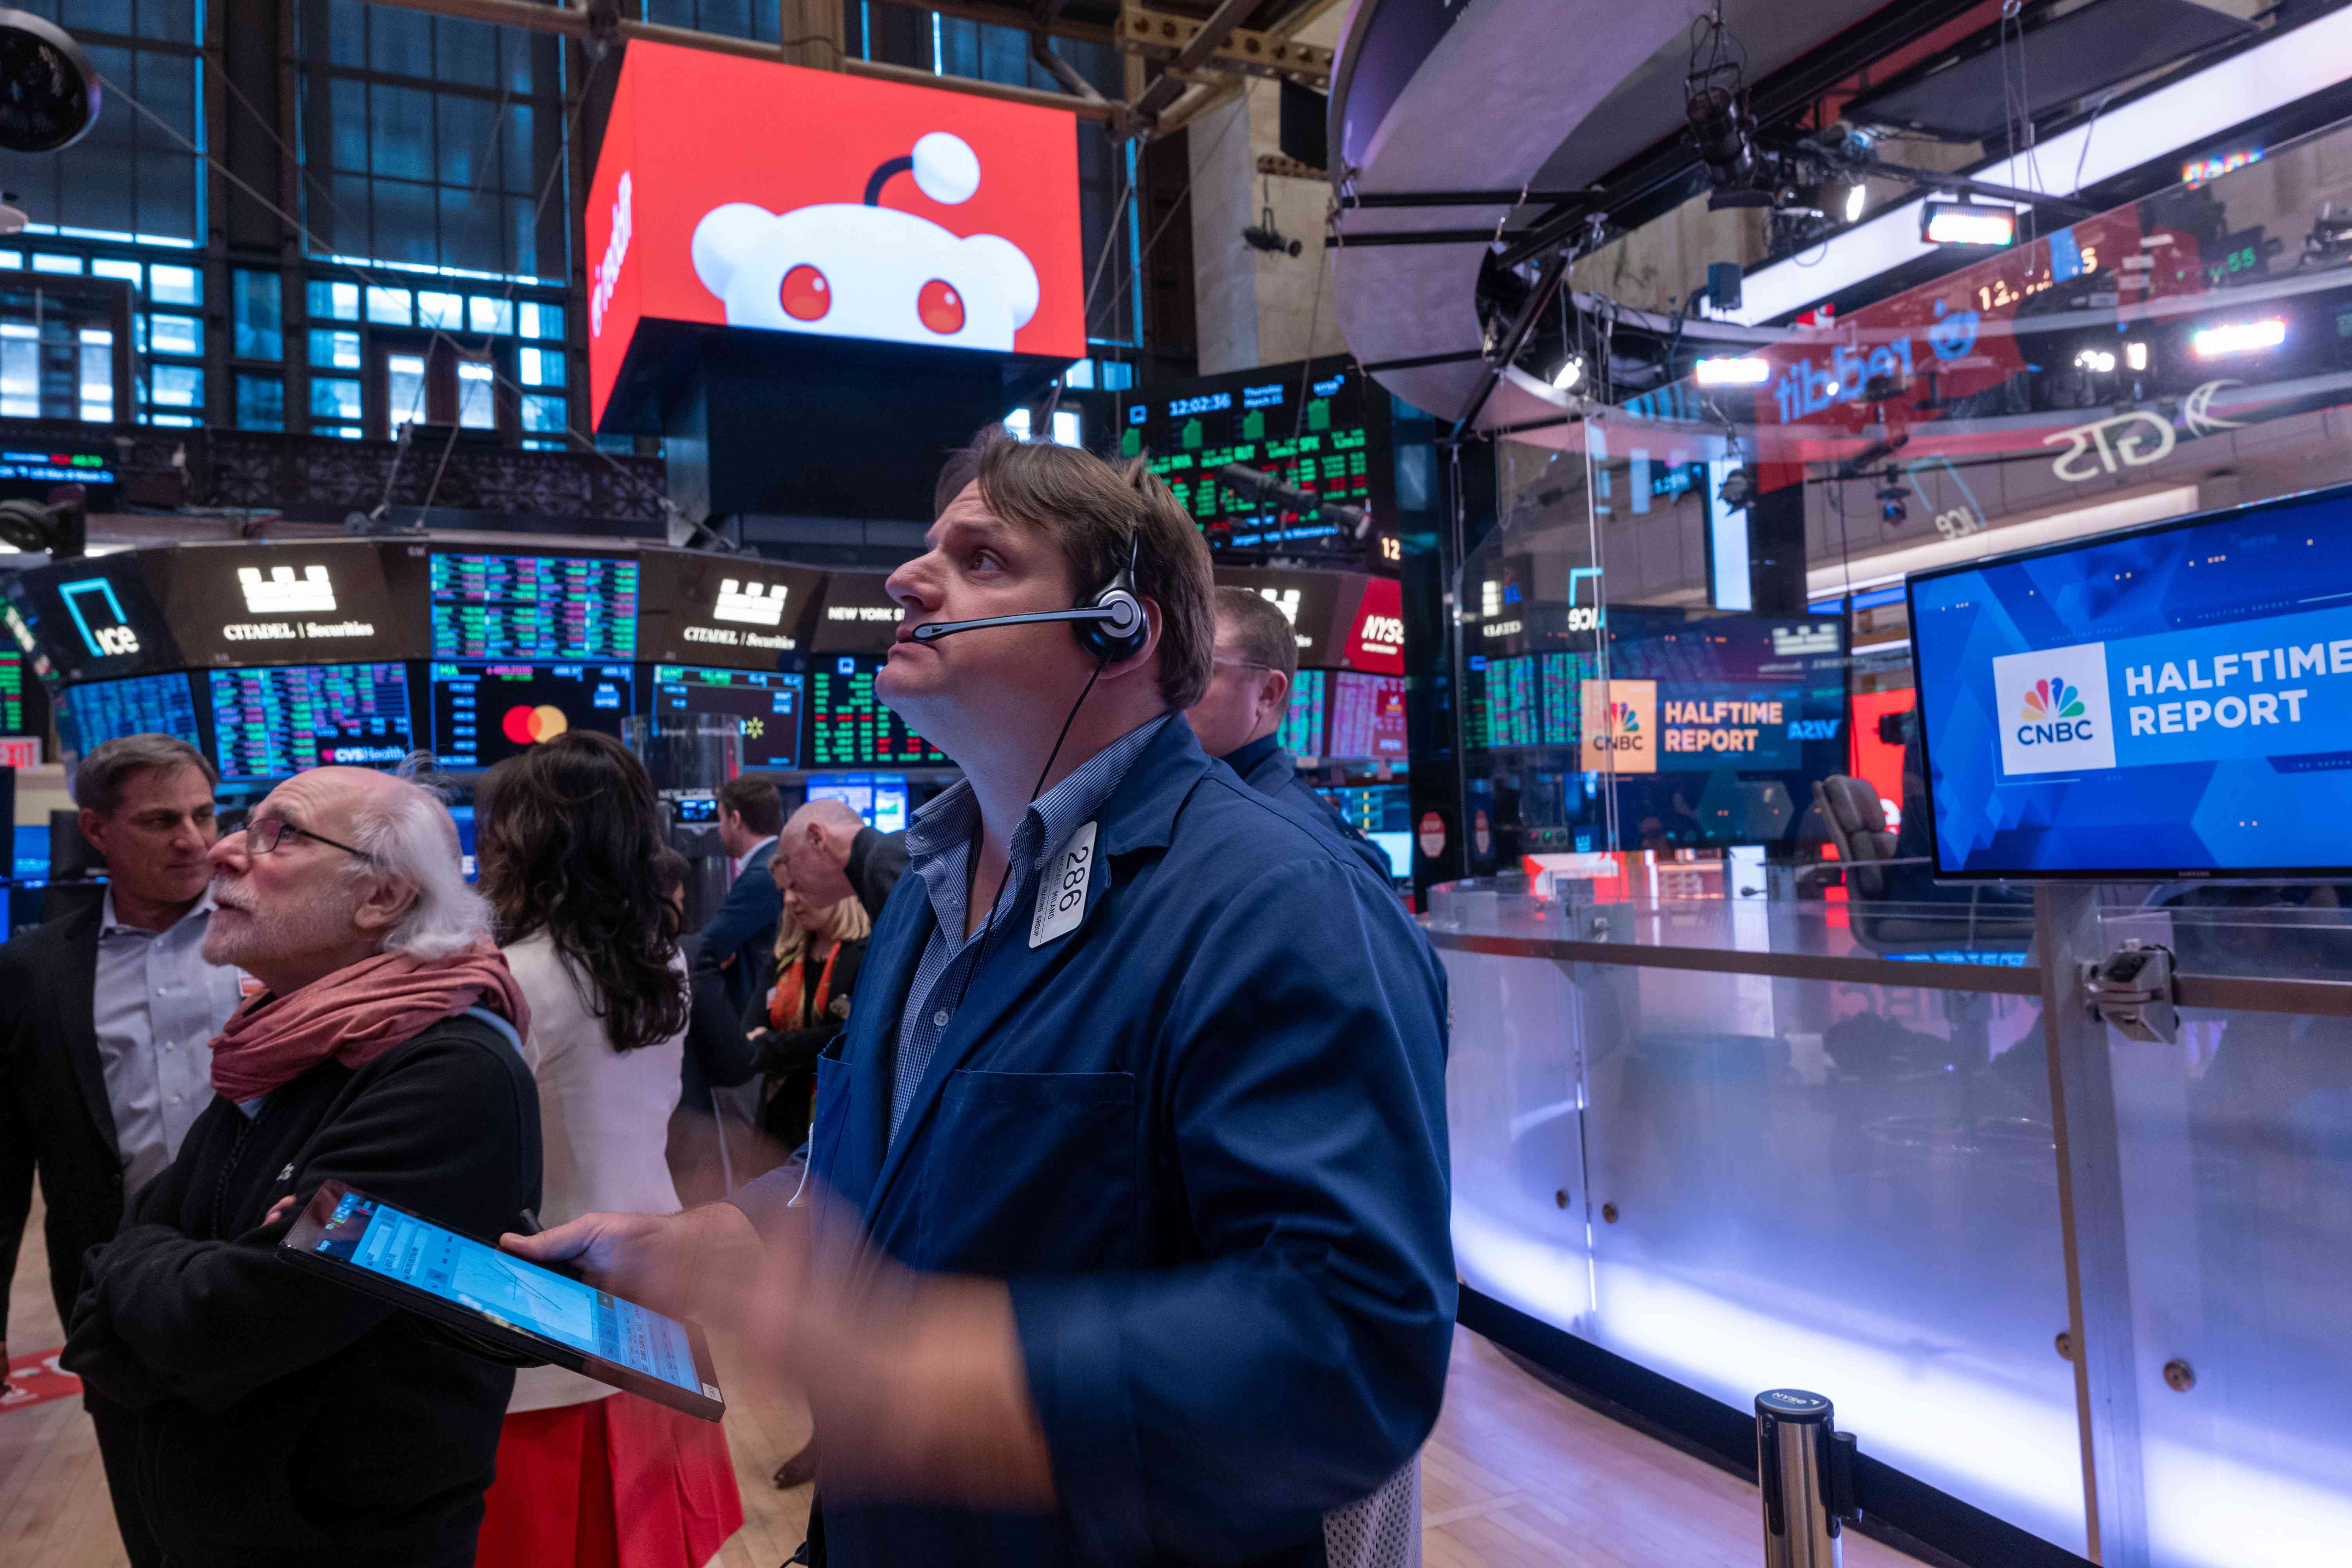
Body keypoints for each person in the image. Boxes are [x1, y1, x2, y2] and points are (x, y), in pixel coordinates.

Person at [510, 428, 1453, 1566]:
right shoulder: (927, 898)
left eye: (982, 557)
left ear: (1120, 630)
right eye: (925, 549)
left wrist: (957, 1374)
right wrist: (722, 1236)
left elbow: (1350, 1343)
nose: (909, 577)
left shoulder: (1273, 899)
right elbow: (892, 1172)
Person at [63, 766, 540, 1568]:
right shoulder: (286, 1041)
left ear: (382, 897)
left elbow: (244, 1314)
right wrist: (150, 1269)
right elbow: (146, 1233)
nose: (220, 851)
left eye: (279, 833)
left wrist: (132, 1281)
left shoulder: (450, 1076)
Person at [472, 732, 743, 1568]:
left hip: (542, 1312)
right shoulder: (664, 961)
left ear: (523, 840)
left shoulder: (505, 979)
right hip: (654, 1297)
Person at [0, 735, 247, 1568]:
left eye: (204, 813)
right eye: (160, 819)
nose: (192, 838)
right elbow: (6, 1156)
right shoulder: (34, 971)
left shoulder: (279, 941)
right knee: (155, 1520)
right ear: (98, 829)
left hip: (273, 1267)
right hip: (116, 1291)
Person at [740, 858, 873, 1493]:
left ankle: (846, 1439)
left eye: (799, 886)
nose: (791, 900)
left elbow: (847, 1039)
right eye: (784, 890)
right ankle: (829, 1433)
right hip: (784, 1136)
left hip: (838, 1136)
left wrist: (769, 1047)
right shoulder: (786, 955)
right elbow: (751, 1024)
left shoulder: (869, 953)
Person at [1185, 584, 1397, 882]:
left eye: (1202, 668)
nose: (1176, 687)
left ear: (1268, 694)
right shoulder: (1188, 806)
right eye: (1174, 664)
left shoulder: (1319, 859)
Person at [699, 773, 785, 1011]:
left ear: (735, 819)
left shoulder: (761, 875)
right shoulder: (775, 859)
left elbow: (710, 944)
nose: (719, 831)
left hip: (755, 1007)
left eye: (721, 820)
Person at [773, 796, 909, 921]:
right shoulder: (878, 865)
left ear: (816, 837)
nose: (789, 881)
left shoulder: (885, 859)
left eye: (788, 861)